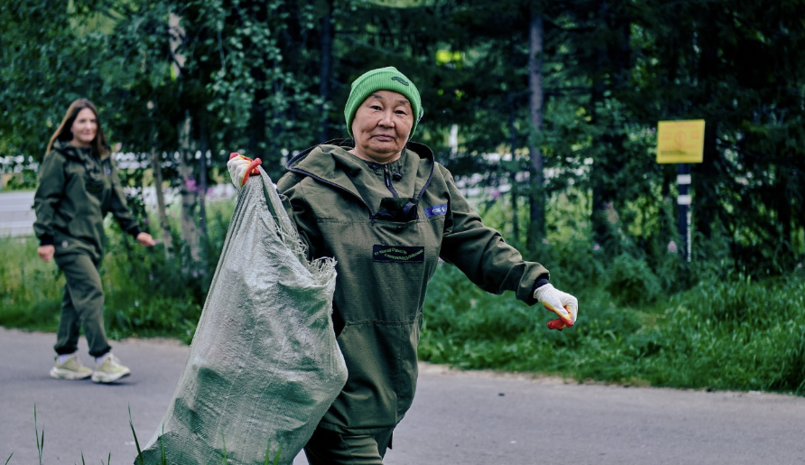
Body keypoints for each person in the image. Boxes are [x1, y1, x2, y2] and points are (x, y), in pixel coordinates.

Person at [227, 67, 579, 464]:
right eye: (375, 106)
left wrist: (538, 285)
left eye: (401, 111)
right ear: (354, 115)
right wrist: (254, 195)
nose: (387, 121)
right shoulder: (312, 183)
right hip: (332, 382)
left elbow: (476, 243)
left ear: (413, 122)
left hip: (392, 381)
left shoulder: (431, 181)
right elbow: (271, 259)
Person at [33, 99, 156, 383]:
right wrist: (45, 238)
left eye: (92, 121)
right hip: (67, 241)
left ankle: (65, 359)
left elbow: (116, 199)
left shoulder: (103, 159)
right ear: (70, 125)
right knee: (91, 292)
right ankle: (103, 359)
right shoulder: (59, 158)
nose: (88, 126)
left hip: (92, 241)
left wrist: (136, 230)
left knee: (74, 300)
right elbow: (45, 199)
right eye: (81, 121)